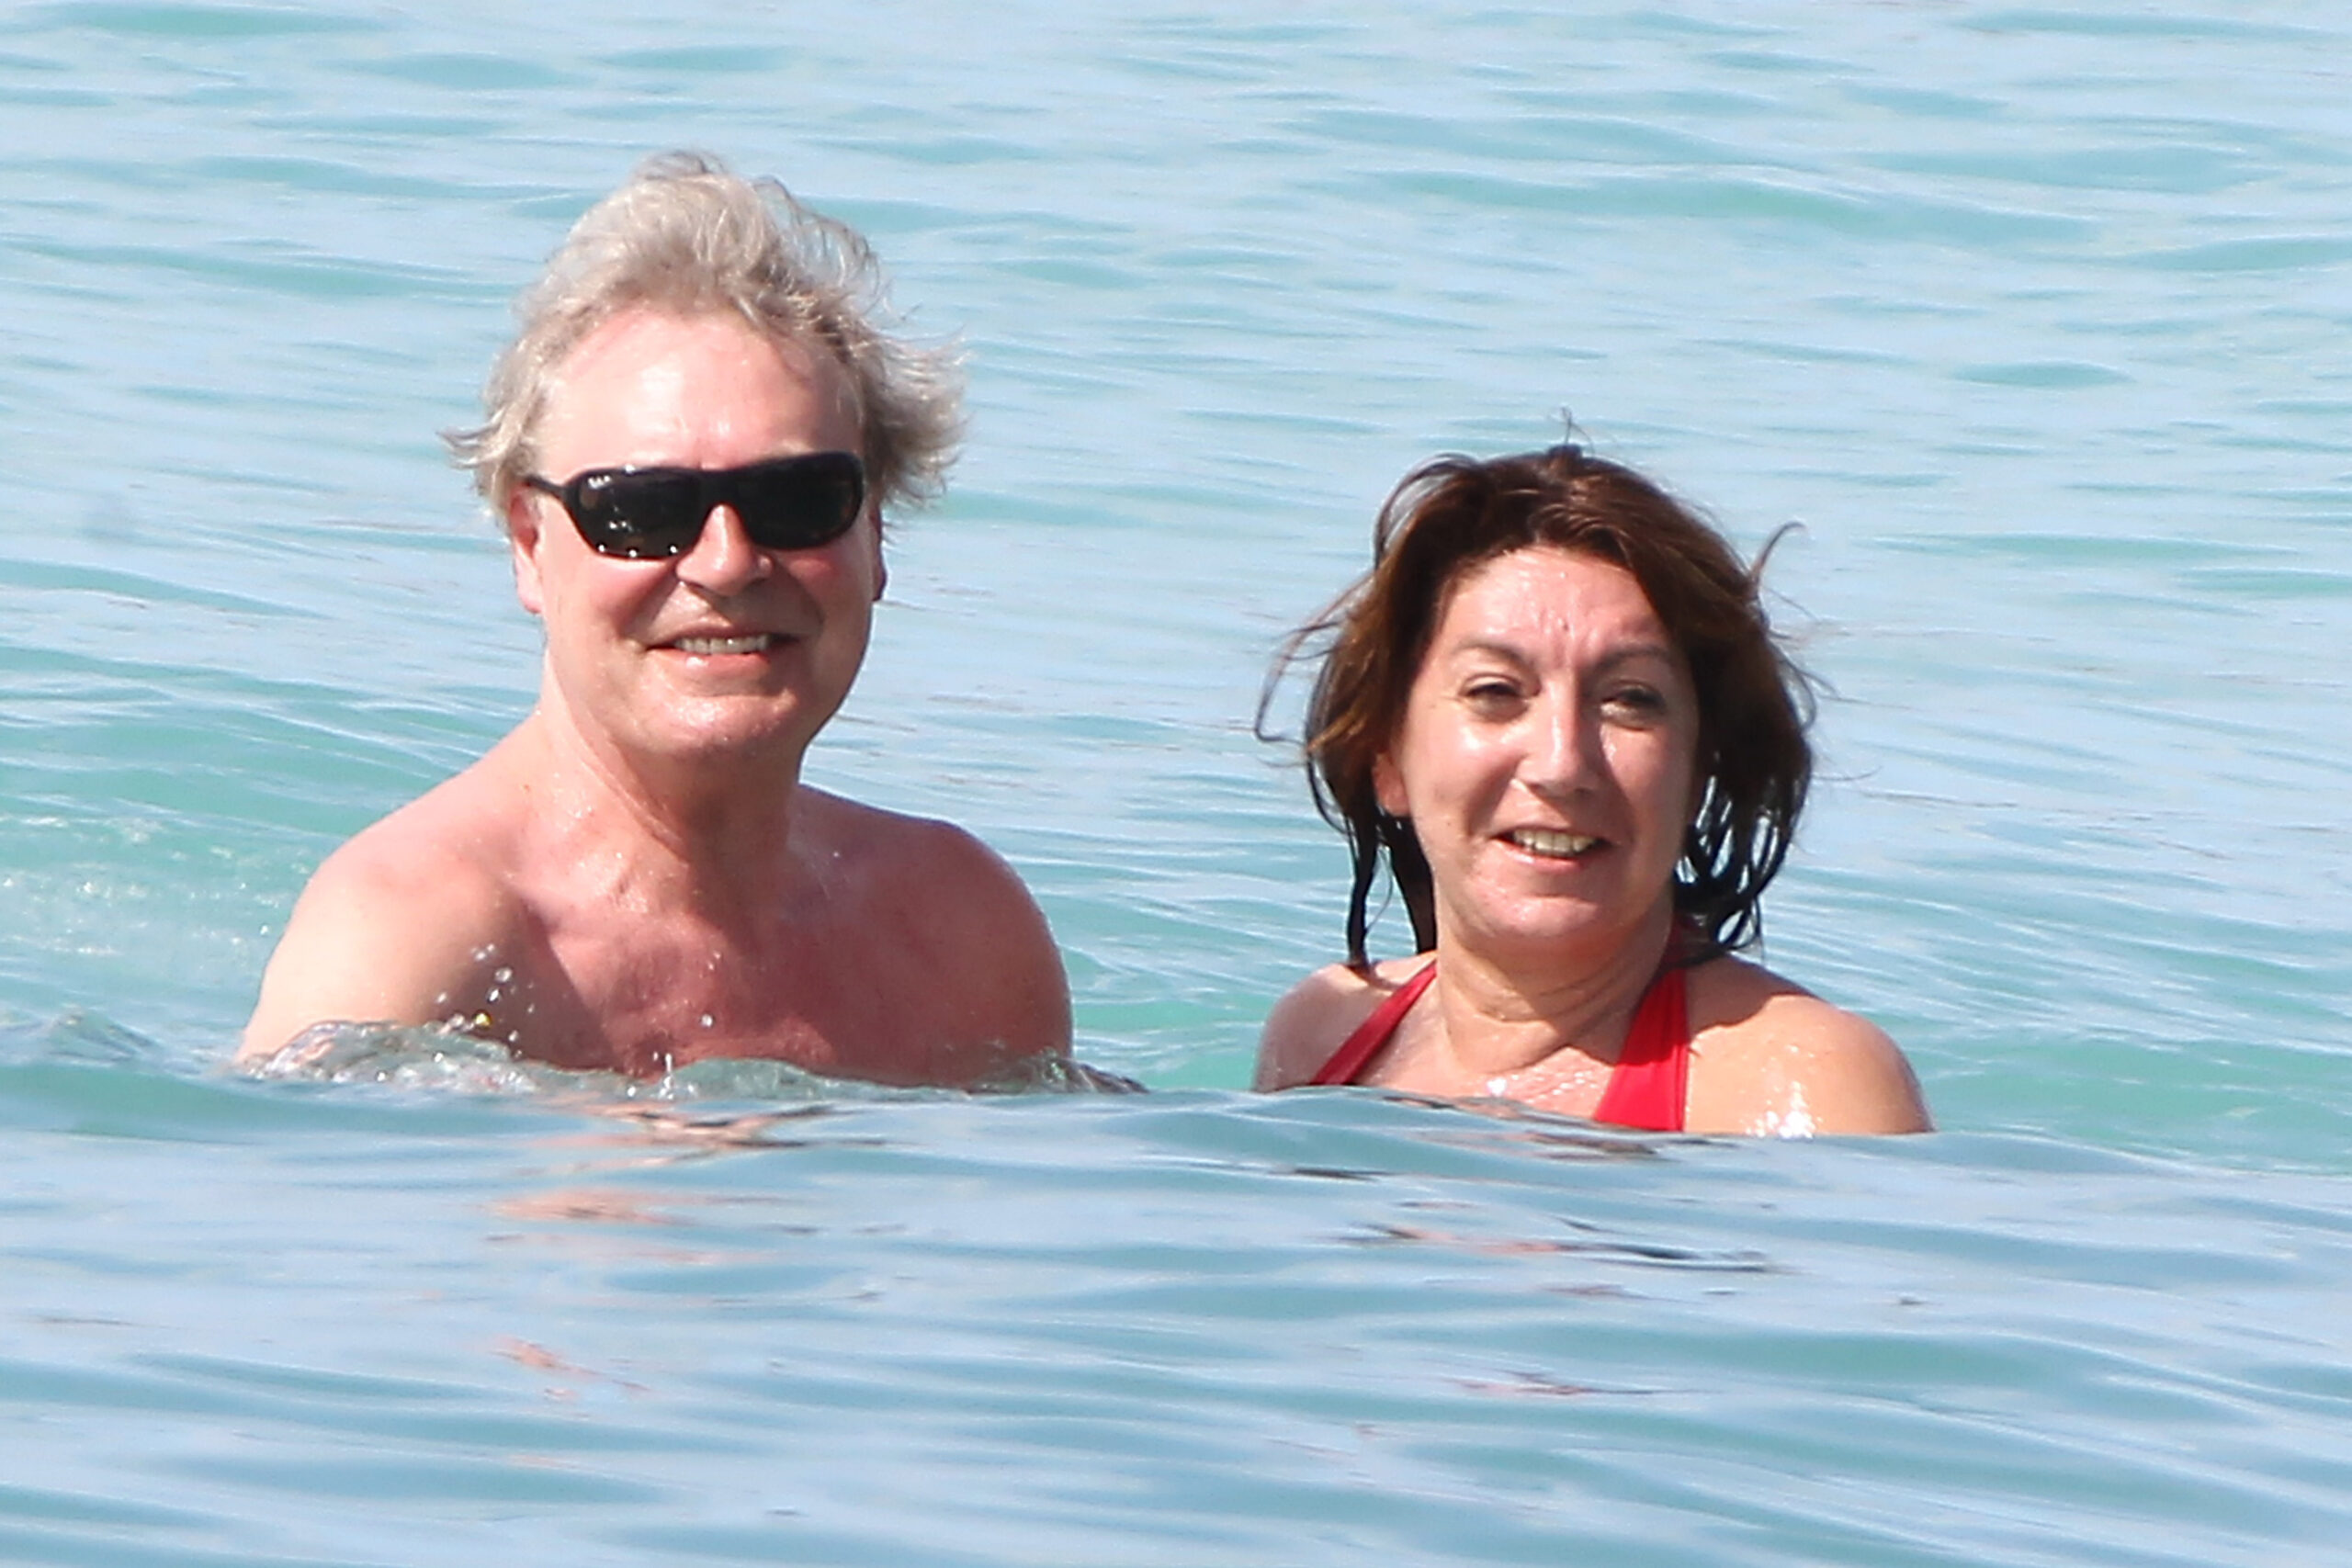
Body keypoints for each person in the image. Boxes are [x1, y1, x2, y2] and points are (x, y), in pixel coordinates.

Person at [240, 152, 1070, 1085]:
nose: (725, 563)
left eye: (797, 499)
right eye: (643, 512)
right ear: (527, 541)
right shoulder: (412, 947)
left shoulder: (958, 933)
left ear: (875, 531)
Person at [1255, 442, 1929, 1134]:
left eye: (1629, 699)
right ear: (1385, 758)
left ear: (1702, 765)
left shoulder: (1800, 1084)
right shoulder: (1319, 1036)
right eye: (1495, 691)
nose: (1561, 763)